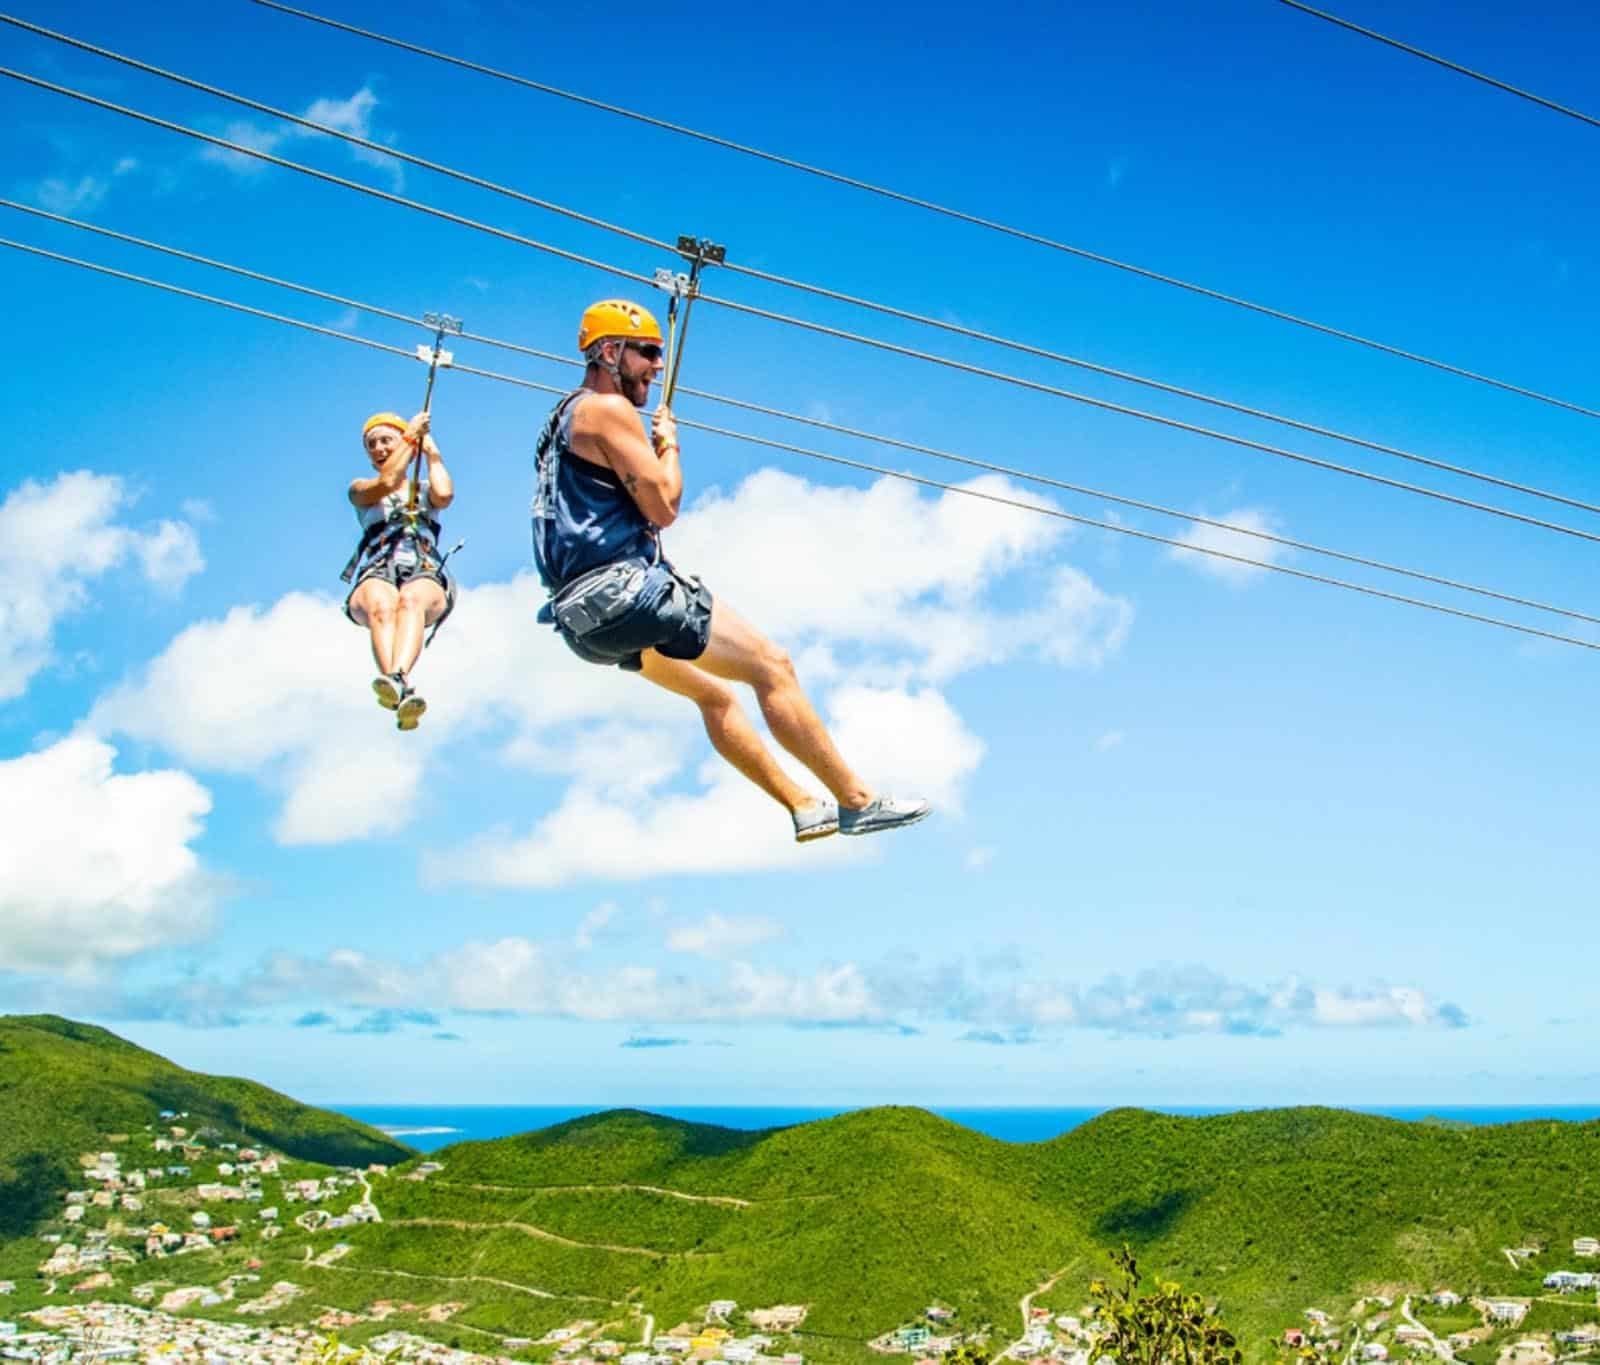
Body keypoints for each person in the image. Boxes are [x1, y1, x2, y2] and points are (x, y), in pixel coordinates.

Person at [530, 298, 930, 842]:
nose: (656, 366)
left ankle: (803, 805)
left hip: (583, 622)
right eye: (647, 353)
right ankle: (857, 801)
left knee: (715, 695)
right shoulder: (607, 411)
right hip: (628, 596)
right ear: (608, 352)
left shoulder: (558, 423)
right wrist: (668, 447)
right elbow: (663, 506)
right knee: (772, 664)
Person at [342, 409, 455, 731]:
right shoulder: (361, 488)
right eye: (372, 444)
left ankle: (397, 678)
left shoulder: (422, 487)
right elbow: (389, 480)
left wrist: (431, 453)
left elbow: (444, 496)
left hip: (422, 566)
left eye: (385, 440)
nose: (379, 448)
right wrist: (408, 436)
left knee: (410, 602)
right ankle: (398, 682)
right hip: (379, 567)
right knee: (382, 606)